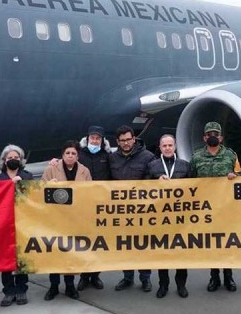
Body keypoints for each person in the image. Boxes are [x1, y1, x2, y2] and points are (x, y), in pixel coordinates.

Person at [190, 122, 241, 292]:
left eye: (216, 134)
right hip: (206, 210)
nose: (212, 137)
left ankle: (228, 277)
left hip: (226, 208)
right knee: (211, 244)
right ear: (204, 137)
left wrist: (235, 176)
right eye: (209, 134)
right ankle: (214, 277)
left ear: (221, 137)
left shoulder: (231, 155)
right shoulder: (197, 157)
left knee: (227, 243)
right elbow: (190, 181)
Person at [41, 141, 92, 300]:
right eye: (67, 153)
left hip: (75, 218)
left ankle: (70, 286)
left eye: (73, 153)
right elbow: (40, 190)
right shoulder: (51, 169)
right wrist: (48, 185)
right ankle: (54, 286)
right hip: (55, 219)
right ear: (62, 155)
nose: (70, 156)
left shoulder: (84, 171)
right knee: (54, 253)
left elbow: (91, 192)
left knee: (70, 253)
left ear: (77, 156)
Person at [110, 125, 155, 292]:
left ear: (134, 139)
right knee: (125, 246)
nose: (126, 143)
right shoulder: (112, 158)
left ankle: (145, 278)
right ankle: (127, 277)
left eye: (129, 139)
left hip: (141, 211)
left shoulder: (148, 157)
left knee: (143, 246)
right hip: (121, 211)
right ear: (118, 142)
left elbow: (152, 182)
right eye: (122, 140)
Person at [146, 134, 192, 298]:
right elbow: (142, 188)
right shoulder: (152, 166)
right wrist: (156, 182)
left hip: (181, 217)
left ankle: (181, 285)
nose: (167, 148)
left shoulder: (184, 165)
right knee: (163, 252)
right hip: (160, 217)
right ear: (160, 147)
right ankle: (163, 285)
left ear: (175, 147)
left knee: (181, 252)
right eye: (164, 145)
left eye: (170, 145)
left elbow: (195, 189)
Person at [0, 145, 33, 307]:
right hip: (3, 223)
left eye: (16, 158)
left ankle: (22, 289)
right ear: (4, 160)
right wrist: (8, 184)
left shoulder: (27, 176)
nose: (13, 160)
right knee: (5, 257)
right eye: (10, 158)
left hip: (23, 222)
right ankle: (8, 291)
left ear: (21, 160)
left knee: (22, 257)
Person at [75, 125, 112, 292]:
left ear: (102, 140)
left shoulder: (107, 156)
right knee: (83, 241)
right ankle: (84, 276)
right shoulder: (79, 154)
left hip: (101, 204)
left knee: (98, 242)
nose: (95, 141)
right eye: (92, 138)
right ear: (87, 138)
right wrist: (54, 161)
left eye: (98, 138)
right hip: (82, 204)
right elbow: (66, 161)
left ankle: (96, 275)